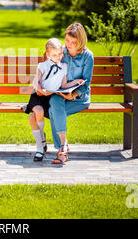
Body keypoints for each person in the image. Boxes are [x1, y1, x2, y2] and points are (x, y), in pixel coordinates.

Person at [23, 38, 85, 162]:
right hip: (38, 95)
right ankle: (41, 145)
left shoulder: (64, 67)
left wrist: (74, 82)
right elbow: (36, 81)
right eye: (54, 55)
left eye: (59, 54)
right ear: (48, 55)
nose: (58, 57)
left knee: (32, 118)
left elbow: (63, 85)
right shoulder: (42, 65)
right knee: (38, 112)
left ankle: (40, 147)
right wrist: (40, 89)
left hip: (49, 97)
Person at [47, 23, 94, 165]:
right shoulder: (61, 52)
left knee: (52, 111)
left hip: (80, 99)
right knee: (54, 102)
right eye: (67, 40)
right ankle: (63, 148)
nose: (69, 45)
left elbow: (86, 84)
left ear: (80, 42)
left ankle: (62, 148)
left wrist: (73, 95)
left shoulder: (88, 56)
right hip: (61, 94)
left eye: (73, 42)